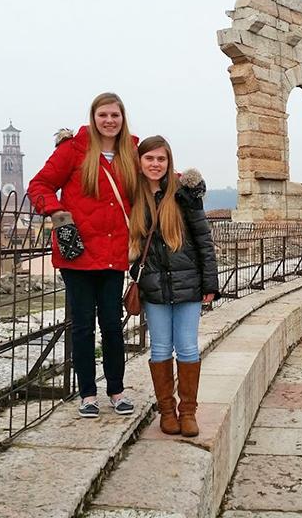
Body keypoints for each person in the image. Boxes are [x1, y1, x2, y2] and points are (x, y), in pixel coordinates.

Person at [27, 92, 139, 419]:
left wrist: (184, 185)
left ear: (122, 118)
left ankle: (116, 390)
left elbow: (152, 180)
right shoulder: (73, 151)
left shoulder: (130, 151)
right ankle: (87, 393)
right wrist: (57, 212)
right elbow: (39, 186)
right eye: (103, 115)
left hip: (113, 252)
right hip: (77, 253)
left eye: (114, 115)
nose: (109, 121)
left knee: (112, 325)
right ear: (93, 117)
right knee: (83, 327)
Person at [129, 136, 218, 438]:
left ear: (169, 162)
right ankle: (167, 411)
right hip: (154, 287)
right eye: (149, 159)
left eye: (161, 159)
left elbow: (203, 239)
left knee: (188, 346)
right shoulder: (133, 198)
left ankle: (188, 411)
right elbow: (128, 243)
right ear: (139, 163)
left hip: (188, 283)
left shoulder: (185, 195)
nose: (155, 164)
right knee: (161, 347)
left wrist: (210, 282)